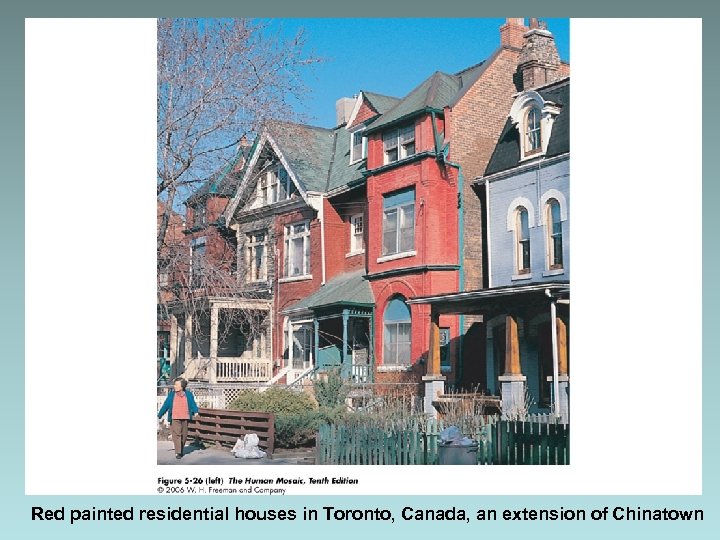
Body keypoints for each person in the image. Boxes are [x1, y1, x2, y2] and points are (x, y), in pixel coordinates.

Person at [157, 378, 199, 459]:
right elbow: (166, 405)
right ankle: (178, 452)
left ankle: (181, 449)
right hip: (175, 417)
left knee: (184, 435)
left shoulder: (188, 394)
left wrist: (195, 411)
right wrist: (159, 414)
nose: (174, 386)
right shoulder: (172, 395)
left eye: (176, 385)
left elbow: (192, 404)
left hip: (185, 417)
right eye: (174, 384)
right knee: (177, 434)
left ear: (182, 386)